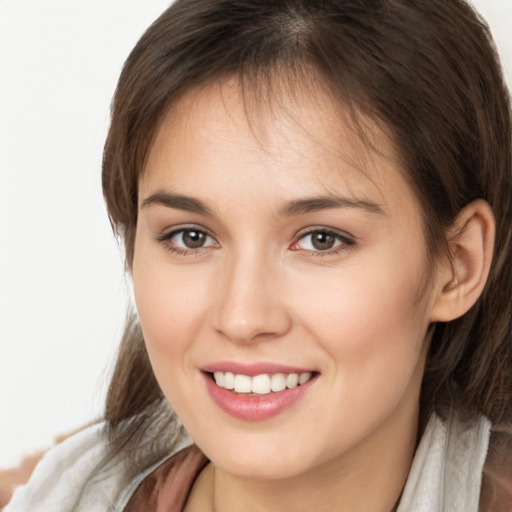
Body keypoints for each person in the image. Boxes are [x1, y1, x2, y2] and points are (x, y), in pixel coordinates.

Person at [5, 0, 512, 510]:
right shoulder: (52, 495)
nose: (242, 317)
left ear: (457, 264)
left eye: (321, 239)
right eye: (191, 237)